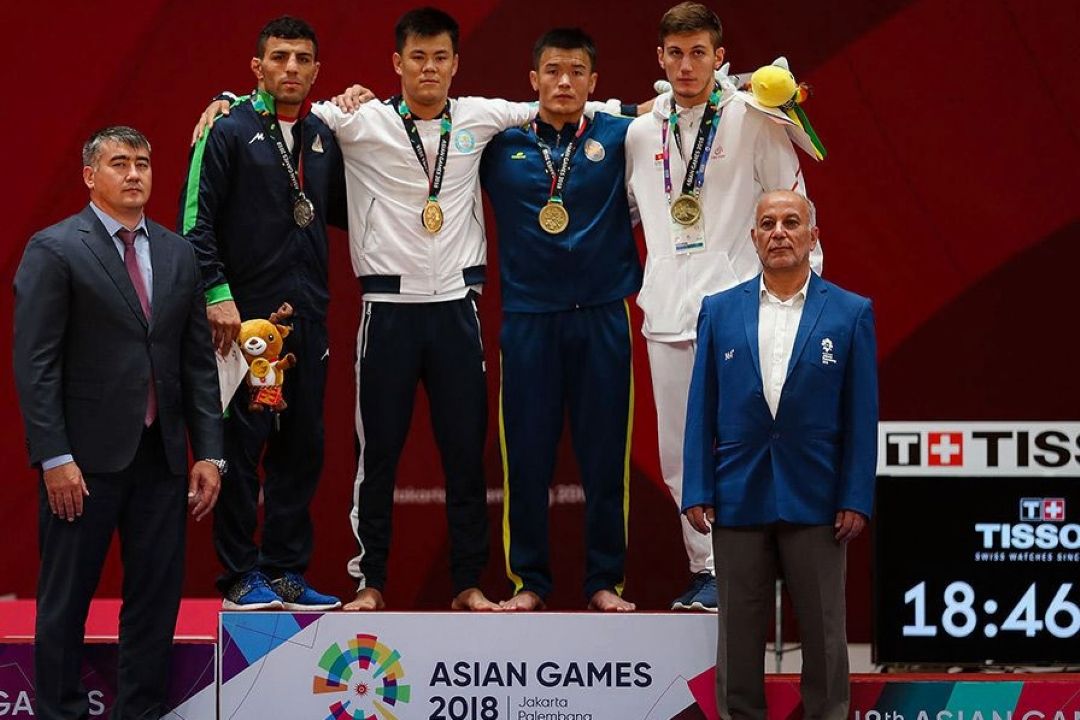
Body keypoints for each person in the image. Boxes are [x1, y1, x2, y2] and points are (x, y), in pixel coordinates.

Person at [13, 126, 224, 720]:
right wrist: (54, 457)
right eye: (119, 163)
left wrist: (210, 452)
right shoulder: (55, 248)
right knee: (65, 602)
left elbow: (196, 363)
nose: (134, 174)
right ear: (90, 176)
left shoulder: (178, 253)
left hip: (162, 457)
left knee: (155, 602)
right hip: (80, 464)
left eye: (143, 163)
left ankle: (141, 711)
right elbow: (35, 365)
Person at [624, 1, 822, 611]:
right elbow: (625, 211)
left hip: (741, 310)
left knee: (748, 442)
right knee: (679, 453)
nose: (686, 66)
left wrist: (805, 299)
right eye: (675, 54)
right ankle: (707, 569)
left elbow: (793, 202)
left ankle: (754, 567)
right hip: (666, 311)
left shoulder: (753, 118)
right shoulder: (639, 132)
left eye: (698, 53)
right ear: (660, 58)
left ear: (720, 57)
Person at [682, 190, 877, 720]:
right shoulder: (719, 310)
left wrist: (855, 497)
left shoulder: (851, 312)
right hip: (737, 494)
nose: (779, 232)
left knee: (825, 635)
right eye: (767, 223)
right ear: (753, 238)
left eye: (792, 222)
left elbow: (861, 416)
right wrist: (697, 486)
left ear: (813, 237)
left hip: (818, 498)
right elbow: (701, 407)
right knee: (737, 637)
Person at [178, 16, 344, 610]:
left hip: (307, 318)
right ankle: (241, 574)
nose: (291, 68)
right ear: (258, 67)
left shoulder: (323, 136)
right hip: (244, 322)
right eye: (279, 57)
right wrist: (216, 294)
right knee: (241, 449)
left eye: (303, 58)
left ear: (317, 71)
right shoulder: (226, 129)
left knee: (302, 448)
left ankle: (285, 570)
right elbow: (195, 223)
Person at [479, 28, 641, 612]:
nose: (564, 81)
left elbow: (683, 106)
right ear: (533, 79)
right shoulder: (498, 143)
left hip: (603, 316)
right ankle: (528, 583)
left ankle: (604, 582)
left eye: (576, 71)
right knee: (525, 458)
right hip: (529, 320)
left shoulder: (622, 135)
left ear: (594, 82)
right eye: (552, 70)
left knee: (606, 458)